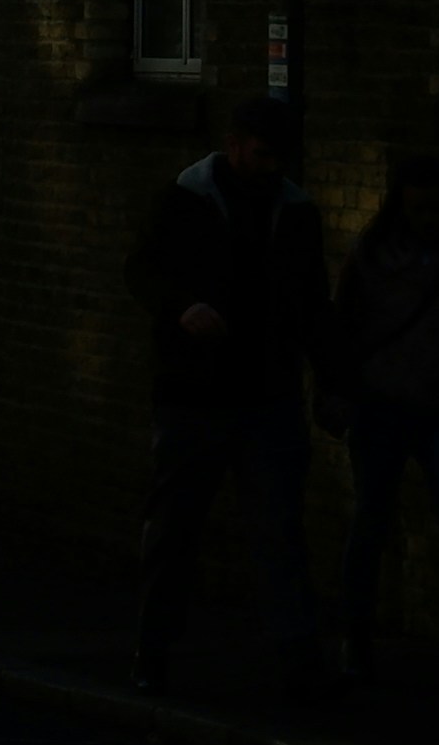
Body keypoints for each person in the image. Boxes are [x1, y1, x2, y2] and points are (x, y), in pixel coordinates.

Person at [136, 95, 332, 694]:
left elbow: (312, 305)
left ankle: (295, 659)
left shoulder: (293, 211)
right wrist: (183, 308)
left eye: (280, 157)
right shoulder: (186, 199)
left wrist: (329, 377)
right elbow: (143, 269)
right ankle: (155, 649)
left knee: (276, 530)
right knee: (179, 528)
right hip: (197, 393)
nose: (272, 167)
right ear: (235, 144)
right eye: (263, 154)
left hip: (262, 392)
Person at [332, 155, 439, 676]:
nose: (428, 218)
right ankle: (358, 630)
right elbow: (345, 329)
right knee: (376, 522)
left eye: (434, 208)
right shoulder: (375, 260)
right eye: (419, 208)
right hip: (386, 407)